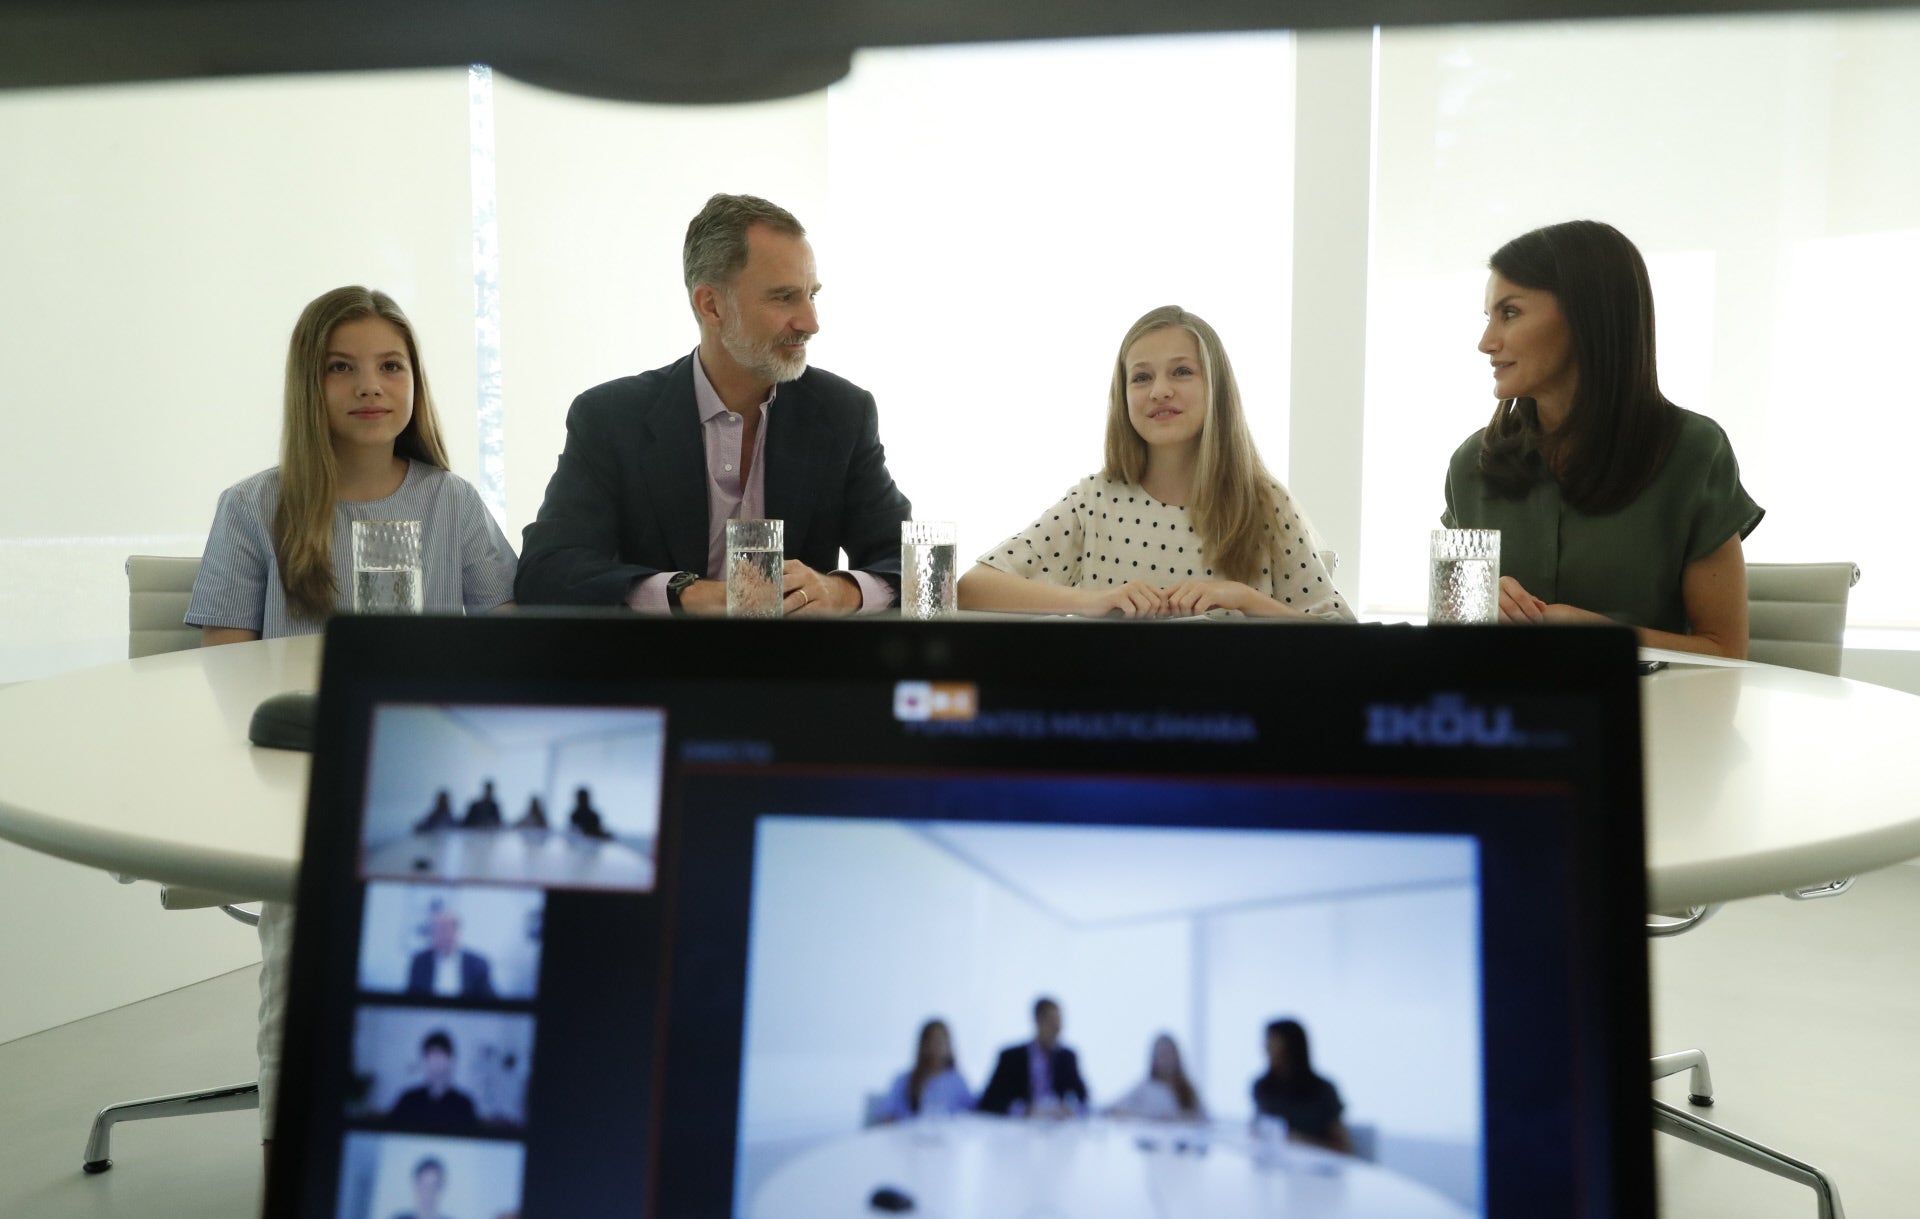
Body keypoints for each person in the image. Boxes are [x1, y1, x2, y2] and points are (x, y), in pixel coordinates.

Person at [181, 285, 517, 1166]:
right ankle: (290, 1156)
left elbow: (513, 638)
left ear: (415, 383)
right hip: (300, 778)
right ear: (310, 385)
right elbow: (225, 676)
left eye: (390, 366)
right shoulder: (254, 507)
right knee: (305, 947)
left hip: (425, 773)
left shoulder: (452, 504)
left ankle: (427, 1130)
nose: (371, 386)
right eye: (342, 368)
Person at [515, 193, 912, 616]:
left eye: (811, 295)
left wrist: (840, 592)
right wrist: (686, 594)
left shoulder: (842, 412)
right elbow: (548, 570)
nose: (811, 322)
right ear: (711, 305)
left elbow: (908, 561)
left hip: (798, 658)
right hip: (653, 659)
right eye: (783, 297)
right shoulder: (611, 418)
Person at [1443, 220, 1763, 656]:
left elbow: (1725, 651)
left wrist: (1598, 636)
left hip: (1655, 701)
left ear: (1586, 315)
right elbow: (1449, 638)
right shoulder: (1469, 464)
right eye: (1489, 318)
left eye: (1510, 313)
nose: (1486, 342)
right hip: (1506, 700)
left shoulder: (1694, 452)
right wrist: (1475, 607)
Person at [958, 305, 1353, 620]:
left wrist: (1244, 599)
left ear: (1216, 388)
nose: (1160, 390)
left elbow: (1339, 635)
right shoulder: (1094, 501)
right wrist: (1090, 601)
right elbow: (971, 588)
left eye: (1181, 372)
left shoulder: (1265, 504)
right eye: (1141, 377)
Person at [1251, 1018, 1351, 1154]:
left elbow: (1343, 1148)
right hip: (1274, 1163)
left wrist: (1300, 1141)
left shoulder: (1321, 1089)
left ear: (1291, 1045)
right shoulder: (1263, 1087)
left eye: (1273, 1039)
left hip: (1317, 1164)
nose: (1266, 1046)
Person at [977, 997, 1088, 1116]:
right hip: (1018, 1125)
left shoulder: (1067, 1058)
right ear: (1038, 1021)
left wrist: (1069, 1108)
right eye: (1052, 1023)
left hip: (1057, 1124)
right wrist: (1024, 1111)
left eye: (1058, 1023)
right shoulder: (1011, 1058)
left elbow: (1082, 1097)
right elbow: (988, 1102)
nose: (1057, 1029)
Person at [876, 1019, 973, 1123]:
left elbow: (975, 1114)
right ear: (923, 1045)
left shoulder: (957, 1082)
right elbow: (888, 1118)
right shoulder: (903, 1082)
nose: (936, 1047)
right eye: (931, 1041)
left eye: (941, 1042)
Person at [388, 1031, 481, 1131]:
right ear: (424, 1060)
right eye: (431, 1056)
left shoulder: (464, 1104)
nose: (436, 1062)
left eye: (441, 1055)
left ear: (451, 1061)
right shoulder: (408, 1099)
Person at [406, 905, 498, 1000]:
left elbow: (489, 1000)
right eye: (436, 929)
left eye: (444, 929)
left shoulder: (478, 964)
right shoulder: (419, 962)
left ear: (456, 931)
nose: (440, 934)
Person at [1108, 1033, 1205, 1121]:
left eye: (1168, 1053)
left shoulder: (1188, 1091)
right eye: (1161, 1054)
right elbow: (1113, 1109)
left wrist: (1184, 1118)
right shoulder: (1144, 1089)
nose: (1165, 1059)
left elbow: (1205, 1119)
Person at [380, 1156, 464, 1219]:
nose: (428, 1193)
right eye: (424, 1186)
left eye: (434, 1186)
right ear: (416, 1186)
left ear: (441, 1189)